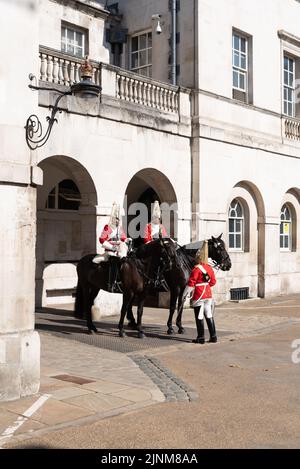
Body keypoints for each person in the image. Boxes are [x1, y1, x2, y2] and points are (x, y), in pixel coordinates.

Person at [183, 240, 217, 344]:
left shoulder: (196, 269)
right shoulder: (209, 268)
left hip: (199, 294)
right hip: (208, 294)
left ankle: (201, 337)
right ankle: (213, 336)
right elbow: (213, 282)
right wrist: (206, 285)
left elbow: (191, 283)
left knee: (199, 316)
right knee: (209, 314)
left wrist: (184, 295)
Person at [99, 203, 128, 292]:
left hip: (120, 251)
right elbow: (102, 240)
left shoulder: (119, 228)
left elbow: (123, 238)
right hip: (110, 250)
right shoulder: (107, 227)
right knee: (114, 262)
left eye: (118, 219)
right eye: (116, 219)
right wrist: (112, 247)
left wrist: (127, 240)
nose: (117, 221)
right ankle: (112, 283)